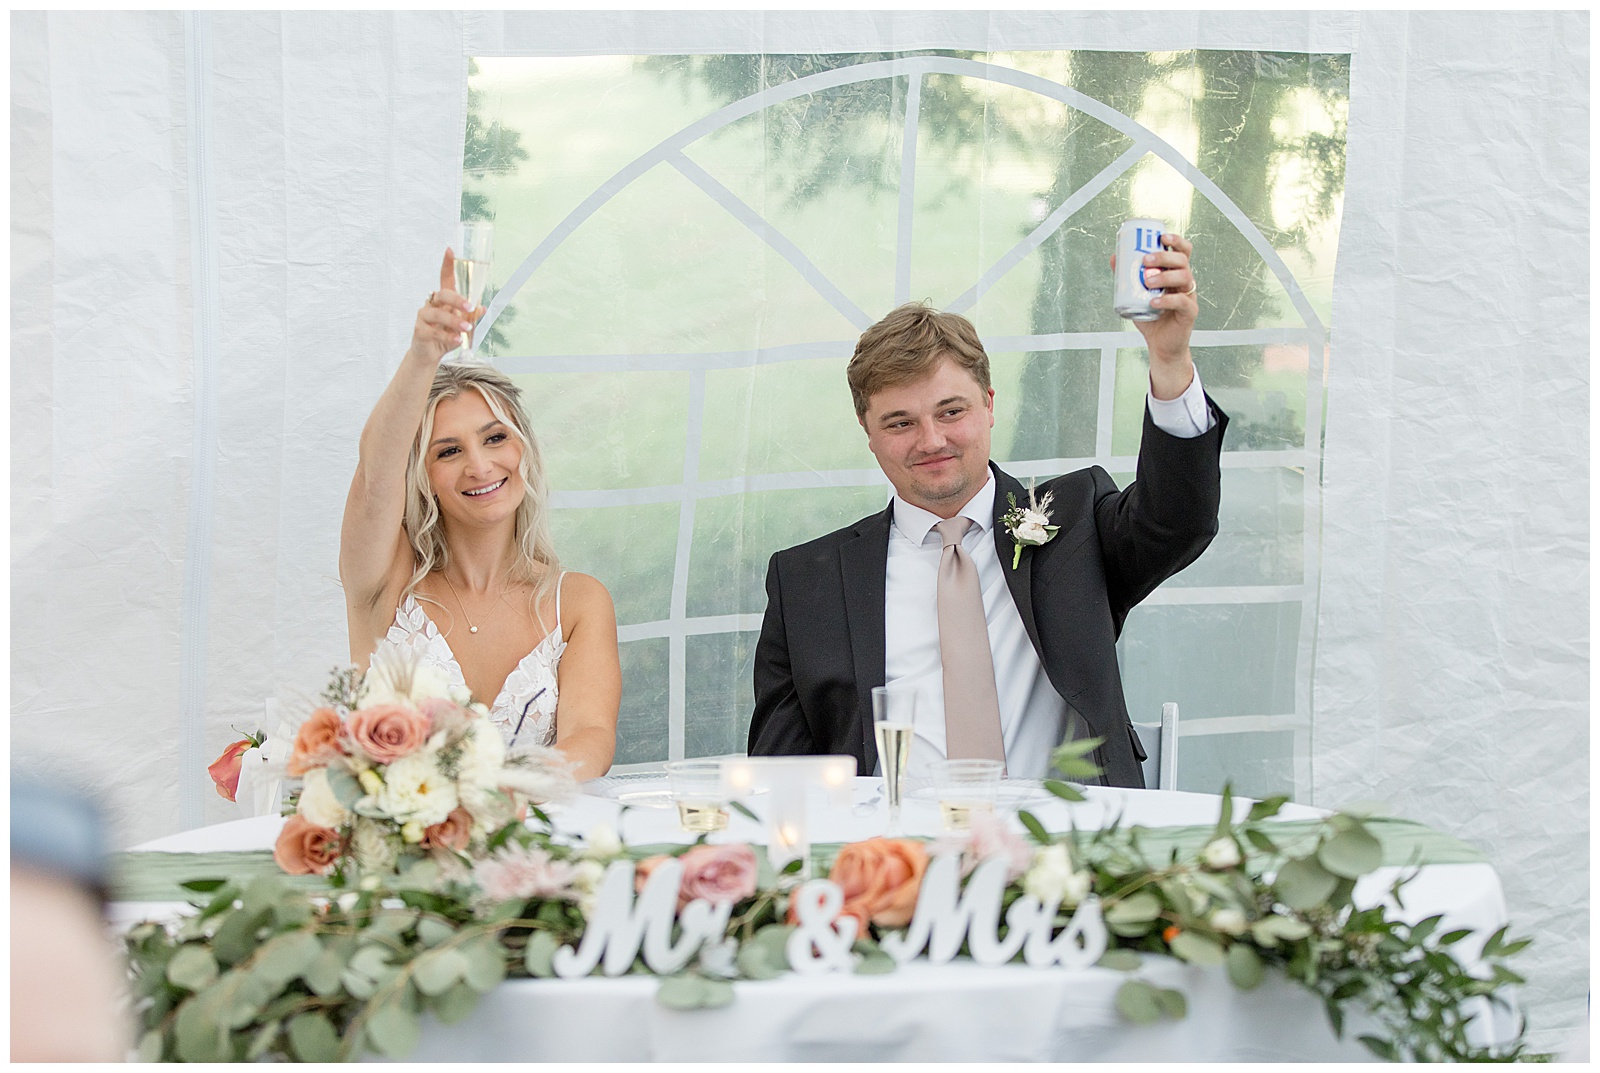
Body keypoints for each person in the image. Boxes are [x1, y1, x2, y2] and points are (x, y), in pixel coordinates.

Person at [747, 233, 1224, 786]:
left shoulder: (1077, 525)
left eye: (951, 412)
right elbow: (779, 774)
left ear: (990, 405)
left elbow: (1179, 519)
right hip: (895, 857)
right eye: (900, 422)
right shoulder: (806, 581)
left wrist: (1170, 360)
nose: (931, 441)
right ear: (868, 432)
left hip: (1066, 853)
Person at [341, 251, 620, 780]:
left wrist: (485, 800)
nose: (479, 464)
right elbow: (374, 479)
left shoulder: (579, 602)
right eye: (448, 451)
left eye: (495, 438)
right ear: (421, 474)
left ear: (524, 451)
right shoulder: (386, 582)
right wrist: (425, 355)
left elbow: (591, 739)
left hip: (527, 846)